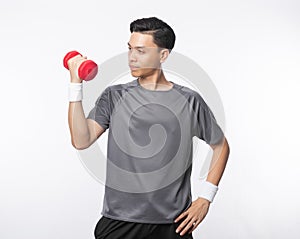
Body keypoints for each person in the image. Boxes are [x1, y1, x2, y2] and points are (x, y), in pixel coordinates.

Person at [67, 16, 230, 239]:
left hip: (173, 225)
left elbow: (221, 147)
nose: (132, 58)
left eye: (141, 51)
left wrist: (205, 199)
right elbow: (81, 140)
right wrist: (75, 84)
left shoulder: (189, 100)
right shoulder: (115, 96)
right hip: (120, 222)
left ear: (163, 55)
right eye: (130, 49)